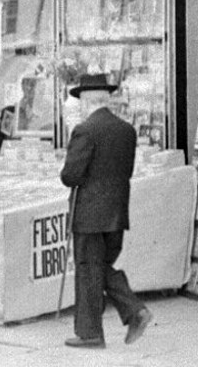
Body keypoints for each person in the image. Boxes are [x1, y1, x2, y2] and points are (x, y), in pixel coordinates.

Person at [60, 73, 153, 349]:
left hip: (89, 215)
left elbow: (70, 175)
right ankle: (129, 314)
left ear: (88, 102)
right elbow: (127, 170)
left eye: (79, 102)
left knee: (89, 269)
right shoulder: (126, 130)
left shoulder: (84, 130)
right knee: (99, 267)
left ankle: (95, 331)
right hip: (117, 213)